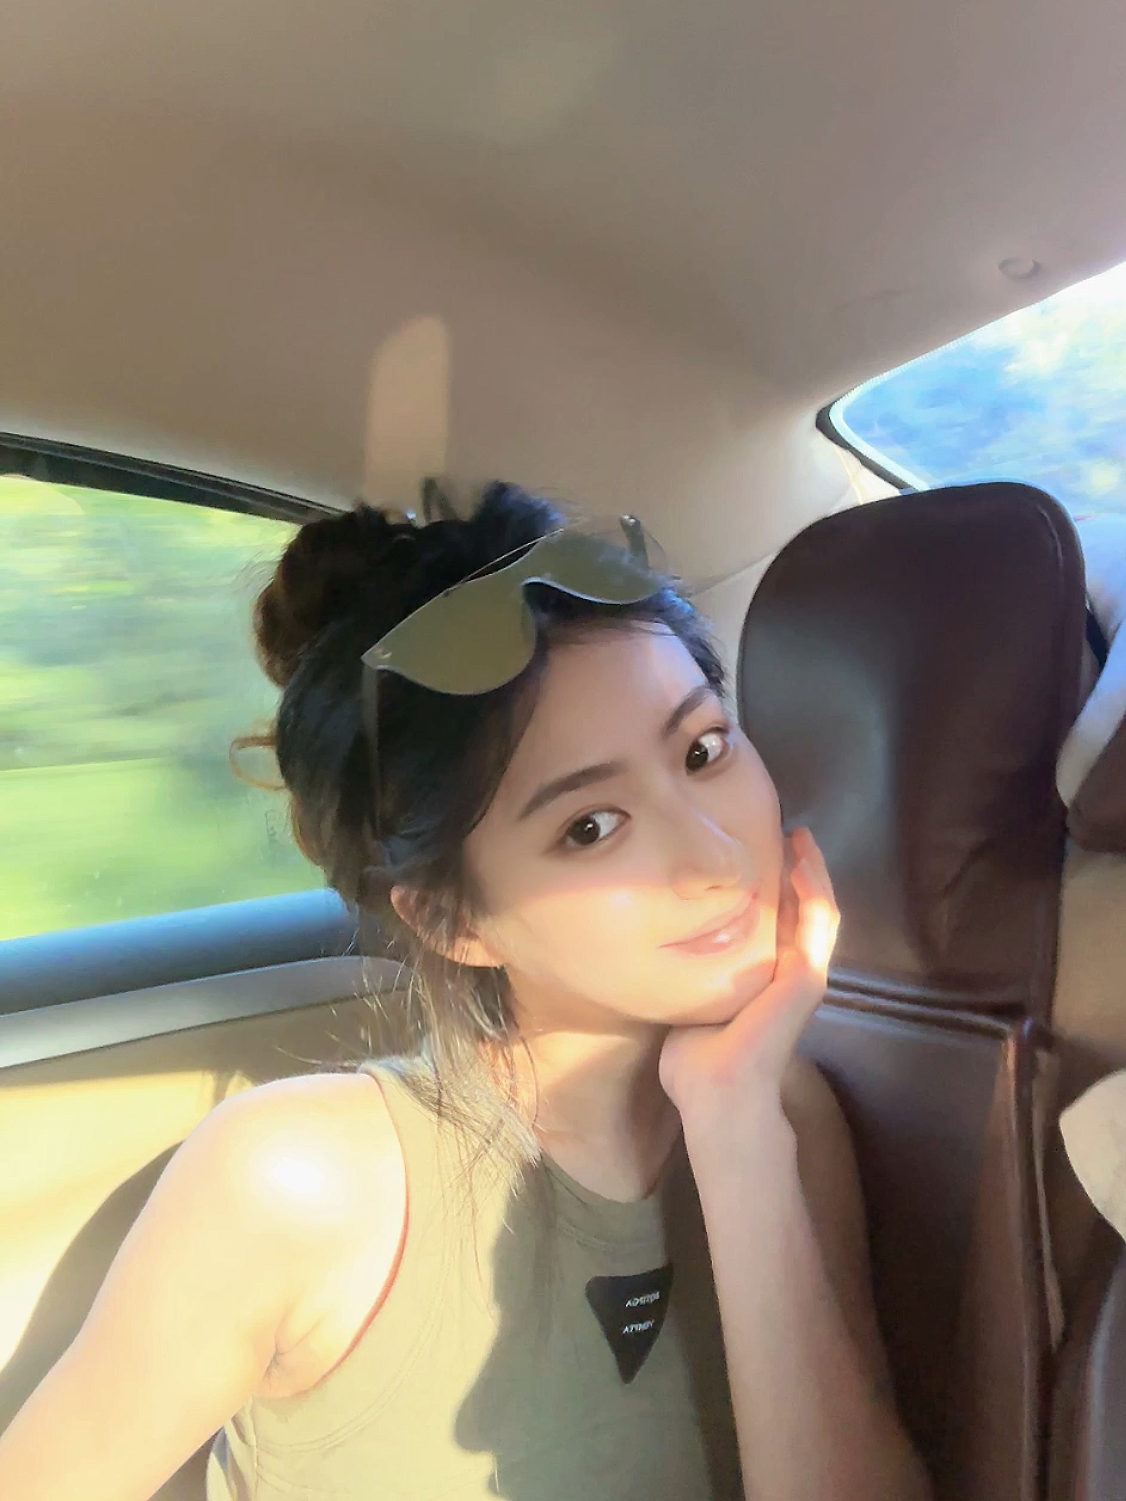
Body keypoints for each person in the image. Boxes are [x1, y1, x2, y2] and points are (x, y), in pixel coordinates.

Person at [0, 482, 932, 1500]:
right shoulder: (298, 1182)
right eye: (589, 827)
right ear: (454, 921)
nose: (715, 855)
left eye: (702, 750)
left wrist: (736, 1122)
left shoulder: (789, 1116)